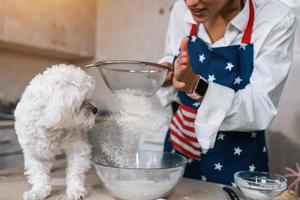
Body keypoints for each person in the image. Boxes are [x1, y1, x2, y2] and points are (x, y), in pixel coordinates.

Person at [157, 0, 297, 185]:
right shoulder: (181, 9)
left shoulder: (275, 19)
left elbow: (260, 106)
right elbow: (173, 53)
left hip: (237, 162)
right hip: (180, 149)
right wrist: (167, 71)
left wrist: (196, 85)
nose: (191, 3)